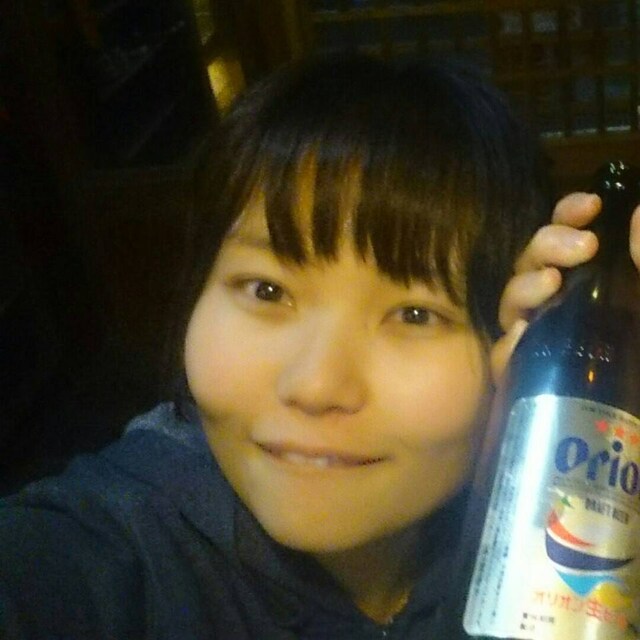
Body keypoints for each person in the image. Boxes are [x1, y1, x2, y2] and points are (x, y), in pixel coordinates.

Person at [0, 53, 629, 639]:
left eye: (415, 314)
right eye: (267, 290)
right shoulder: (105, 553)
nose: (315, 385)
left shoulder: (582, 536)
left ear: (513, 339)